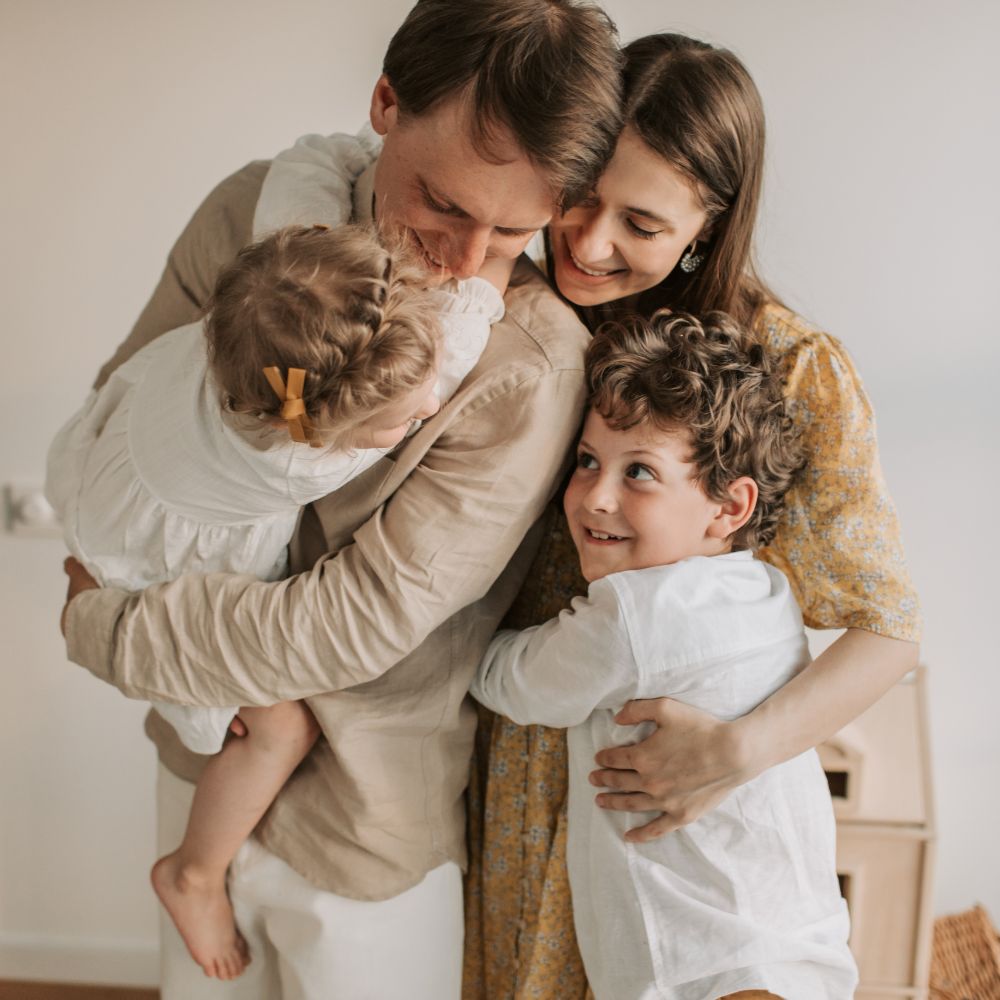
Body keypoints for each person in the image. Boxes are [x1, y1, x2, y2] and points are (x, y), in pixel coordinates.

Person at [57, 2, 623, 997]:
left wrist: (112, 629)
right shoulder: (247, 214)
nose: (464, 259)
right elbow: (126, 408)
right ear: (384, 102)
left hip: (366, 829)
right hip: (201, 772)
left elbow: (359, 620)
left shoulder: (529, 364)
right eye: (441, 205)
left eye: (515, 230)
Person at [464, 32, 921, 998]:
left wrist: (733, 753)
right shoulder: (505, 312)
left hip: (679, 814)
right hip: (517, 784)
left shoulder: (791, 371)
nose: (589, 243)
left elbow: (889, 632)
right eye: (580, 197)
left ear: (708, 226)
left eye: (640, 220)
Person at [46, 222, 514, 980]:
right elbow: (453, 355)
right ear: (317, 433)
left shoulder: (243, 333)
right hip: (146, 560)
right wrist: (496, 260)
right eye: (401, 422)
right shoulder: (293, 459)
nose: (429, 408)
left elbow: (303, 184)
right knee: (278, 727)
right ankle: (193, 872)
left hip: (110, 482)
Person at [472, 312, 858, 1000]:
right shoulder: (766, 592)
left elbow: (511, 681)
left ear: (726, 507)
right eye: (587, 460)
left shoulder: (635, 615)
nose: (597, 495)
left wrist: (463, 627)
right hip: (796, 945)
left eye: (640, 471)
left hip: (702, 966)